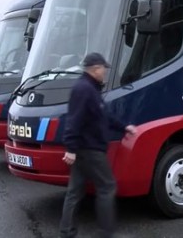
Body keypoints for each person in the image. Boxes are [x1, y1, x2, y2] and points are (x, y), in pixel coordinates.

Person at [59, 52, 137, 238]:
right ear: (95, 69)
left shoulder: (90, 88)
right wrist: (70, 148)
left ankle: (66, 233)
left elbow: (103, 115)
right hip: (90, 149)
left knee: (74, 192)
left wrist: (124, 126)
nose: (105, 72)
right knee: (107, 186)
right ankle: (106, 233)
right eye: (103, 69)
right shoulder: (84, 90)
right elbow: (74, 120)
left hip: (84, 148)